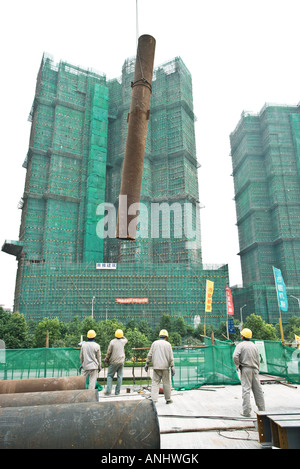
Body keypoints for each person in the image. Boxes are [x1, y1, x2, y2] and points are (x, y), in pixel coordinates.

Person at [233, 328, 265, 417]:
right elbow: (258, 358)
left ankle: (246, 412)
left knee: (246, 389)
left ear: (242, 336)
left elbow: (235, 356)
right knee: (258, 389)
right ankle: (262, 410)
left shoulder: (240, 345)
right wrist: (257, 368)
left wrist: (238, 365)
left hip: (245, 368)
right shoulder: (254, 345)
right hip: (255, 369)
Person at [145, 329, 175, 404]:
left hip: (156, 367)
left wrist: (147, 363)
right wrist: (172, 366)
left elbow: (150, 354)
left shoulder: (154, 343)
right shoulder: (168, 344)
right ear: (166, 337)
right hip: (165, 367)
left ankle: (154, 400)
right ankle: (168, 399)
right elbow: (171, 357)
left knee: (155, 383)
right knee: (166, 383)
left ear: (160, 336)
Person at [104, 329, 128, 396]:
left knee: (109, 376)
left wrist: (106, 359)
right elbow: (126, 339)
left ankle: (108, 392)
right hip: (121, 361)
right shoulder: (123, 341)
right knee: (120, 377)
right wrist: (122, 336)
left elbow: (109, 352)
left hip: (113, 362)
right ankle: (117, 392)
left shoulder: (112, 342)